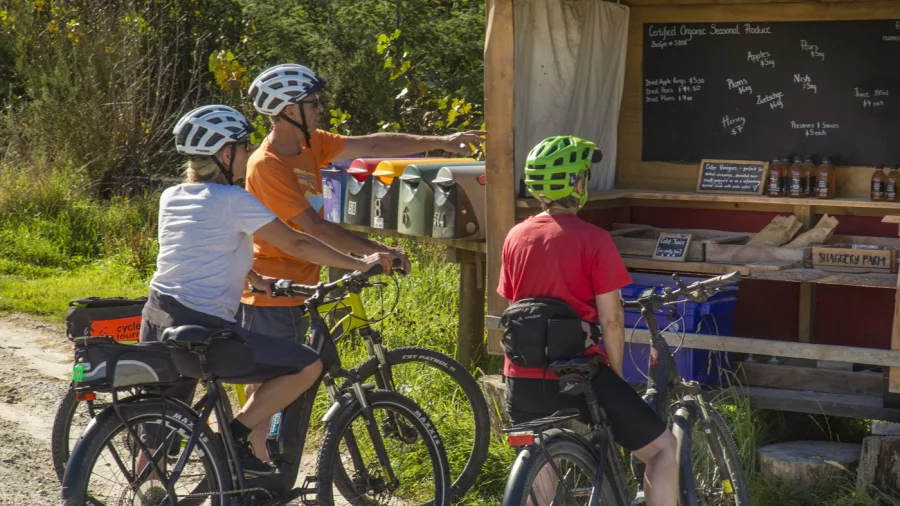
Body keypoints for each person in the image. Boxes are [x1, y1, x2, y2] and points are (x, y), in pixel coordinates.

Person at [235, 63, 485, 457]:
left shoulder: (310, 144)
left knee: (284, 385)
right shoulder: (267, 165)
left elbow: (372, 145)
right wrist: (371, 252)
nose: (320, 109)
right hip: (270, 291)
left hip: (302, 284)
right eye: (313, 102)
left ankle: (265, 464)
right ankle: (251, 469)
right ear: (288, 111)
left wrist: (442, 141)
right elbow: (312, 229)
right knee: (267, 393)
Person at [139, 104, 393, 476]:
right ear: (225, 154)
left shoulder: (172, 197)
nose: (248, 152)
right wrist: (361, 261)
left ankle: (148, 493)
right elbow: (298, 244)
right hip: (204, 336)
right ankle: (235, 434)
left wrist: (257, 281)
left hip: (158, 323)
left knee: (156, 437)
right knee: (307, 364)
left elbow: (200, 254)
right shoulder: (234, 200)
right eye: (242, 146)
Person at [498, 136, 677, 506]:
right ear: (578, 184)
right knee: (662, 449)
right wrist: (614, 374)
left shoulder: (515, 237)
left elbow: (516, 305)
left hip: (521, 377)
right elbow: (612, 321)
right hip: (580, 376)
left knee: (539, 467)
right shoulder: (594, 240)